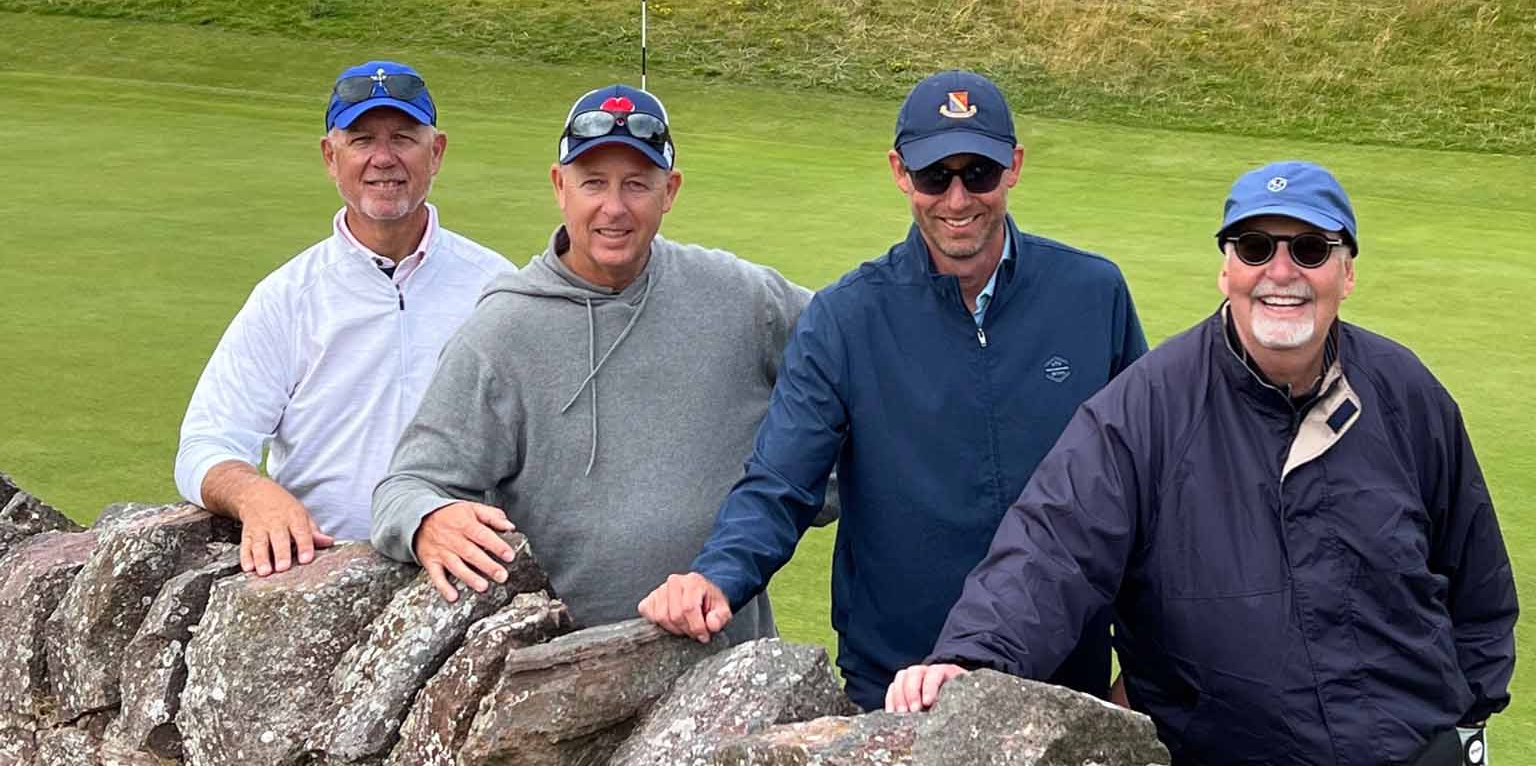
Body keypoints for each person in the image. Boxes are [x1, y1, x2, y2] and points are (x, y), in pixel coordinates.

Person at [890, 161, 1517, 766]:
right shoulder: (1145, 409)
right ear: (1226, 270)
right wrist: (973, 658)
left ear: (1346, 272)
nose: (1280, 272)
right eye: (1253, 247)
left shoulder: (1405, 391)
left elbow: (1477, 580)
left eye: (1309, 249)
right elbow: (1052, 549)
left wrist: (1467, 726)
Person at [639, 70, 1147, 710]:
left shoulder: (1092, 295)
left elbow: (1143, 492)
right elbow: (780, 484)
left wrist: (1148, 667)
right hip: (895, 687)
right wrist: (719, 574)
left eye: (979, 174)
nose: (958, 200)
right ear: (900, 172)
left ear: (1014, 166)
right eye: (936, 176)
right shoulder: (845, 318)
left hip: (1057, 684)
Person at [371, 84, 811, 643]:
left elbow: (851, 358)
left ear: (669, 191)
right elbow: (405, 485)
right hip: (564, 674)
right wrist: (427, 520)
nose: (614, 207)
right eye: (593, 183)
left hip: (724, 664)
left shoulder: (742, 297)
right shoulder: (501, 332)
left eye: (636, 184)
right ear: (560, 186)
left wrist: (815, 486)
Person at [174, 60, 511, 577]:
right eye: (360, 140)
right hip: (320, 576)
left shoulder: (495, 287)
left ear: (436, 152)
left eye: (403, 137)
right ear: (331, 157)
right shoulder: (287, 296)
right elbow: (206, 443)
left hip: (463, 575)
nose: (383, 158)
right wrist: (254, 493)